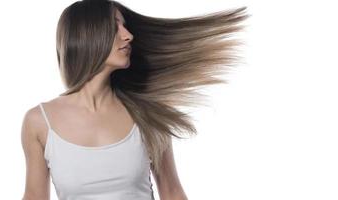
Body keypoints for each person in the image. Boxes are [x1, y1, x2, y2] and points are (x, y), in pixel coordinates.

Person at [21, 0, 249, 199]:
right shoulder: (39, 122)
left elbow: (172, 193)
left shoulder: (147, 114)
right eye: (114, 27)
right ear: (88, 36)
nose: (128, 35)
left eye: (124, 25)